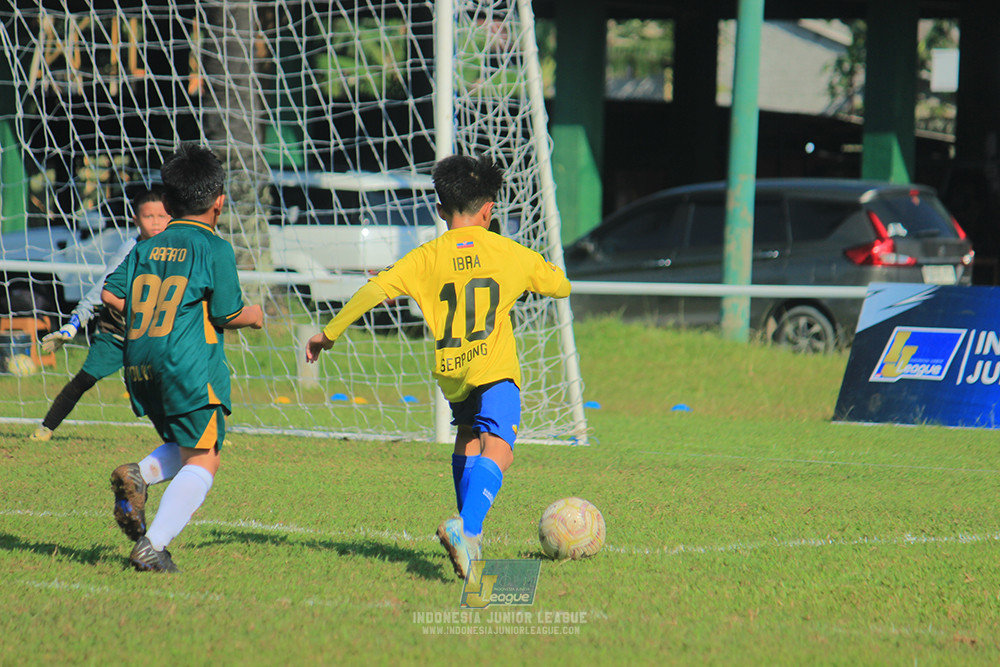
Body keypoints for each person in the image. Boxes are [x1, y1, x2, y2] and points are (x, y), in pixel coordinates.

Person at [305, 154, 571, 579]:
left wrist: (328, 334)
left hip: (453, 371)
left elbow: (372, 290)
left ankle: (470, 543)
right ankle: (467, 530)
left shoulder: (423, 257)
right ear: (489, 210)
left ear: (441, 211)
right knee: (500, 448)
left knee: (468, 436)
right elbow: (560, 285)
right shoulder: (509, 251)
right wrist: (532, 268)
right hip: (494, 368)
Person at [101, 143, 263, 573]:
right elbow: (227, 313)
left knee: (187, 440)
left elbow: (111, 293)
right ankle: (152, 545)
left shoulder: (145, 247)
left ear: (168, 204)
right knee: (206, 454)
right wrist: (256, 314)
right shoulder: (214, 248)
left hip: (138, 363)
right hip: (187, 364)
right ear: (220, 200)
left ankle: (140, 474)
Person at [30, 187, 171, 442]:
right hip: (115, 335)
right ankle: (46, 427)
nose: (157, 222)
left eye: (162, 216)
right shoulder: (130, 250)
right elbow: (99, 293)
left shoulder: (176, 251)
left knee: (168, 383)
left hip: (151, 335)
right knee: (85, 379)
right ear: (135, 220)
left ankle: (194, 436)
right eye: (149, 216)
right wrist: (72, 326)